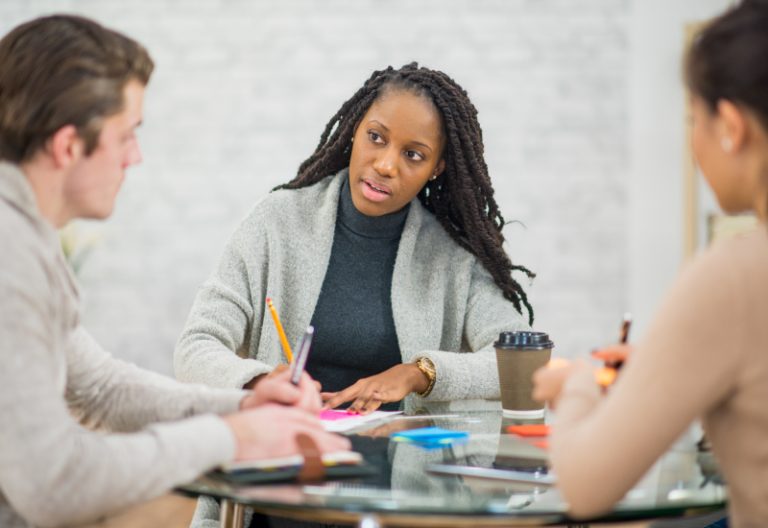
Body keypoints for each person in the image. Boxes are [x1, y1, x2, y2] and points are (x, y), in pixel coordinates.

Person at [0, 15, 349, 528]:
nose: (135, 157)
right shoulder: (11, 257)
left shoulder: (25, 235)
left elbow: (98, 389)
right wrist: (235, 440)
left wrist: (243, 407)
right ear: (68, 145)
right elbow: (56, 484)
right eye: (127, 135)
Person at [174, 63, 533, 415]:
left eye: (413, 155)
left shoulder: (452, 255)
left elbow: (523, 361)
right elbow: (196, 346)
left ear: (436, 167)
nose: (386, 165)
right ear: (353, 130)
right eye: (376, 137)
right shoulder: (277, 222)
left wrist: (420, 373)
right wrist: (259, 380)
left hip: (406, 469)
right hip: (287, 456)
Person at [532, 2, 768, 526]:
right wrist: (668, 368)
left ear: (730, 126)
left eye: (692, 120)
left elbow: (586, 487)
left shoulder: (733, 274)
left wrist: (582, 381)